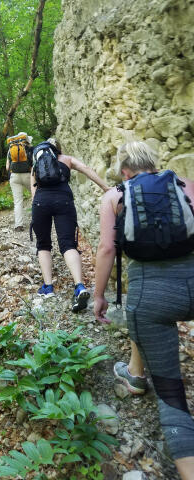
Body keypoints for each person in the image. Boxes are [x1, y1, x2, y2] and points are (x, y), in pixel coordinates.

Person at [94, 141, 194, 480]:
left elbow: (107, 248)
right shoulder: (182, 184)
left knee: (172, 396)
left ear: (125, 171)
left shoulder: (114, 196)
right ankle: (134, 373)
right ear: (154, 164)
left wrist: (98, 296)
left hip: (150, 296)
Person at [31, 137, 109, 312]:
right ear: (59, 150)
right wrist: (106, 188)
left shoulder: (37, 162)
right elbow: (87, 170)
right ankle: (79, 286)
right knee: (68, 244)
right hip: (64, 201)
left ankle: (48, 287)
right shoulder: (67, 159)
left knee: (43, 245)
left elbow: (33, 189)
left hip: (40, 202)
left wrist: (36, 206)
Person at [6, 132, 33, 232]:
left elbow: (7, 167)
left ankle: (19, 225)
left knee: (18, 201)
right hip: (27, 175)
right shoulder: (29, 148)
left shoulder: (11, 149)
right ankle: (38, 219)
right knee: (35, 195)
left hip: (14, 177)